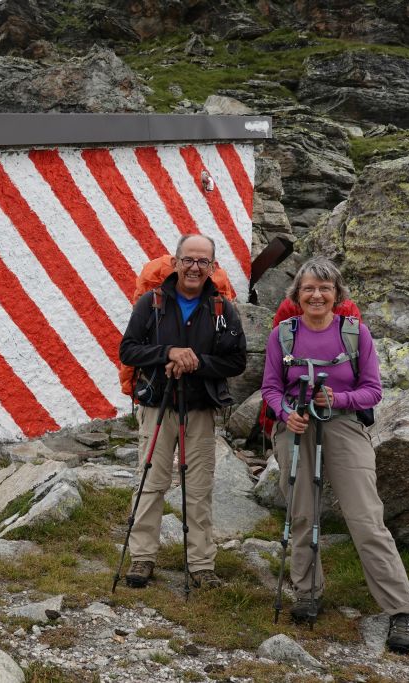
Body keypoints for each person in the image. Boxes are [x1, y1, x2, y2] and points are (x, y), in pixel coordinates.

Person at [260, 256, 409, 653]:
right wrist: (285, 414)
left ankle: (403, 608)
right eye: (309, 288)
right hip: (296, 424)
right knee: (301, 513)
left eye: (325, 288)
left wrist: (339, 397)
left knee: (365, 517)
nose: (317, 295)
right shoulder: (282, 334)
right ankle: (307, 592)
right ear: (297, 294)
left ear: (337, 295)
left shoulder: (355, 334)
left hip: (344, 423)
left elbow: (373, 390)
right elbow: (270, 388)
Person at [119, 234, 247, 590]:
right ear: (175, 263)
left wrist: (195, 362)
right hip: (157, 405)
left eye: (202, 262)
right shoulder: (152, 302)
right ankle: (142, 558)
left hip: (201, 408)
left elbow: (236, 360)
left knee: (199, 487)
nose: (194, 267)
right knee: (151, 482)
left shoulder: (222, 308)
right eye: (188, 260)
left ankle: (201, 563)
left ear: (212, 268)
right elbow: (128, 350)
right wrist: (168, 353)